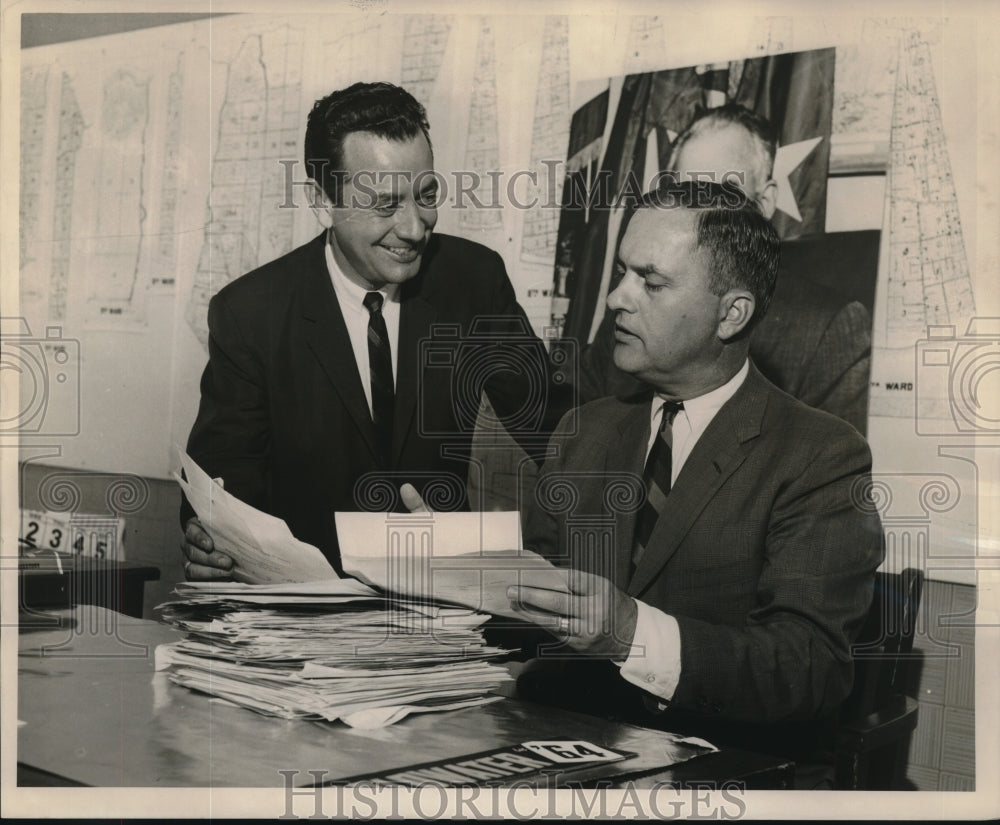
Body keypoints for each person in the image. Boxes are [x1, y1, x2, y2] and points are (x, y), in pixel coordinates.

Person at [510, 180, 885, 788]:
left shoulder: (820, 456)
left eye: (650, 283)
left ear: (731, 313)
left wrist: (631, 632)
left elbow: (808, 669)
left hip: (723, 771)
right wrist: (449, 568)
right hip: (564, 754)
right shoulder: (585, 431)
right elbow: (537, 611)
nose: (613, 299)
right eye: (622, 272)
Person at [181, 82, 567, 579]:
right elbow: (218, 496)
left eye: (426, 195)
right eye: (385, 205)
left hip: (440, 607)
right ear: (323, 202)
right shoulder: (251, 314)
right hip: (300, 618)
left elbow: (563, 434)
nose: (413, 227)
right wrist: (208, 545)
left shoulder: (474, 281)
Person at [578, 104, 873, 434]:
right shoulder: (631, 302)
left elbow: (828, 466)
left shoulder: (826, 331)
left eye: (719, 198)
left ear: (764, 204)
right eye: (684, 194)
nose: (696, 215)